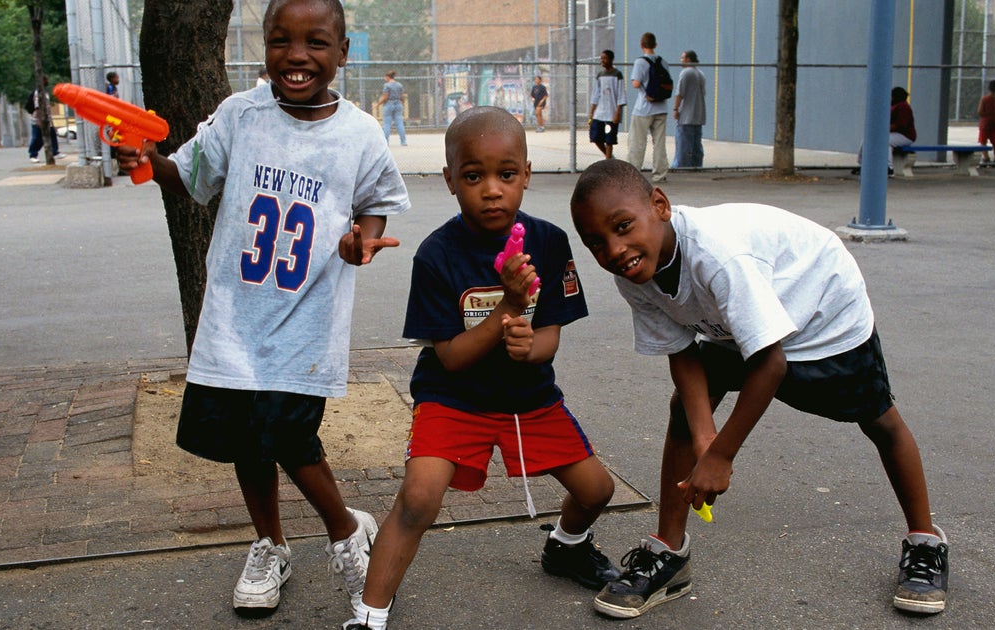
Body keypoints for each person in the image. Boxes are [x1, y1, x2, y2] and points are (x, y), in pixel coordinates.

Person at [115, 0, 410, 616]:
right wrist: (149, 162)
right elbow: (190, 174)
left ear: (343, 51)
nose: (297, 56)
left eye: (316, 43)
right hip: (233, 318)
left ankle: (345, 535)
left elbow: (374, 200)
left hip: (307, 319)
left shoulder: (358, 132)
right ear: (264, 46)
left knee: (292, 437)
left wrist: (362, 238)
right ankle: (270, 544)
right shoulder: (240, 115)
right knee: (246, 441)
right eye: (281, 40)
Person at [569, 159, 950, 618]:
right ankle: (669, 551)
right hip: (740, 319)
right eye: (596, 243)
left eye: (623, 227)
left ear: (660, 206)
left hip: (823, 310)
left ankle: (926, 542)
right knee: (684, 415)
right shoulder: (634, 272)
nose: (614, 249)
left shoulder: (717, 256)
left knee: (879, 421)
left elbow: (770, 365)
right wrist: (705, 435)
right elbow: (683, 352)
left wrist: (722, 455)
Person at [342, 107, 620, 630]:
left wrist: (526, 348)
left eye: (506, 174)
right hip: (454, 399)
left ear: (527, 175)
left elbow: (550, 338)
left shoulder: (549, 242)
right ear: (450, 180)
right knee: (418, 499)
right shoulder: (437, 255)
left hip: (529, 400)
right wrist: (506, 311)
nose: (491, 189)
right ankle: (369, 613)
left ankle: (567, 546)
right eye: (474, 176)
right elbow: (450, 356)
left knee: (596, 491)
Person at [627, 32, 671, 183]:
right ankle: (660, 173)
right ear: (655, 45)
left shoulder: (640, 62)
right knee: (659, 143)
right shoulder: (663, 62)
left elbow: (636, 84)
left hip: (644, 108)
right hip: (661, 107)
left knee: (637, 142)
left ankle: (633, 172)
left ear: (641, 45)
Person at [856, 86, 915, 174]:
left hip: (905, 136)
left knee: (884, 141)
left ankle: (889, 167)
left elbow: (901, 125)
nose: (890, 98)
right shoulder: (893, 106)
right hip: (893, 134)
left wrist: (883, 129)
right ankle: (863, 165)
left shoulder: (903, 107)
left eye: (891, 96)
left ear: (896, 96)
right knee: (867, 139)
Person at [588, 49, 626, 160]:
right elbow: (595, 95)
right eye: (601, 58)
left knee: (609, 139)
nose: (602, 61)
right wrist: (591, 113)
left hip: (611, 114)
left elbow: (621, 95)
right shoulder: (600, 75)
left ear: (611, 59)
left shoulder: (617, 75)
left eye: (605, 58)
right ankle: (610, 158)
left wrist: (617, 113)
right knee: (596, 137)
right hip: (600, 114)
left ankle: (608, 161)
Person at [671, 50, 706, 169]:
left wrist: (675, 109)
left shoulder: (685, 73)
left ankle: (681, 167)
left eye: (682, 58)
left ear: (688, 60)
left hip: (686, 117)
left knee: (683, 146)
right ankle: (696, 166)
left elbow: (680, 93)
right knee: (696, 146)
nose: (680, 60)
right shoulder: (700, 74)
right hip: (698, 116)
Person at [26, 79, 63, 163]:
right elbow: (37, 107)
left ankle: (55, 152)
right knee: (37, 137)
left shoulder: (45, 92)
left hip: (47, 119)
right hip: (38, 119)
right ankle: (33, 154)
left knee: (52, 134)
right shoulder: (38, 93)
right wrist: (39, 120)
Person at [977, 80, 995, 166]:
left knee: (983, 142)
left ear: (988, 88)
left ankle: (986, 157)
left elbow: (980, 111)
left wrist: (986, 115)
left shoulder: (984, 99)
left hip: (985, 124)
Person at [378, 70, 407, 146]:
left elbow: (385, 97)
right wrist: (402, 103)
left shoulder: (387, 85)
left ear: (387, 77)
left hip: (389, 104)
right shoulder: (399, 85)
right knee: (399, 123)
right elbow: (402, 96)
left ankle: (386, 141)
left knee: (387, 124)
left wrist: (378, 104)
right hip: (398, 103)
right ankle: (403, 141)